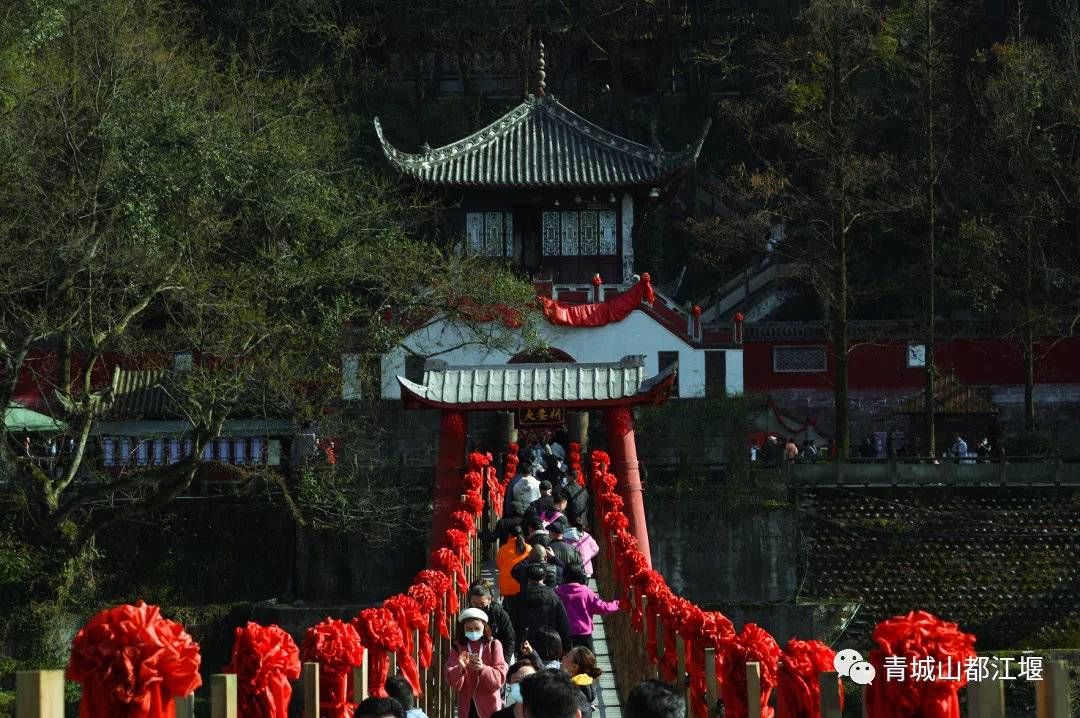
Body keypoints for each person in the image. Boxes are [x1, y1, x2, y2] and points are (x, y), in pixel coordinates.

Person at [445, 608, 508, 718]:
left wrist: (483, 668)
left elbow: (500, 677)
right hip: (467, 705)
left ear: (484, 627)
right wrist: (460, 668)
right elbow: (452, 680)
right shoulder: (457, 646)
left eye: (477, 628)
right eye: (469, 629)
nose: (473, 632)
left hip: (489, 705)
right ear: (463, 629)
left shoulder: (494, 645)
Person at [505, 562, 571, 655]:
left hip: (525, 644)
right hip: (549, 642)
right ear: (544, 578)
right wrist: (567, 647)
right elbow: (563, 623)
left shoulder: (518, 598)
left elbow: (512, 623)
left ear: (527, 579)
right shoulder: (553, 597)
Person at [554, 566, 619, 650]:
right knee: (587, 661)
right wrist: (618, 604)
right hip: (584, 635)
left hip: (565, 634)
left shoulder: (557, 592)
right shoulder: (586, 591)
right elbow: (602, 607)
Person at [469, 583, 516, 661]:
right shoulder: (468, 614)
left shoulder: (499, 613)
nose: (478, 607)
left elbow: (510, 638)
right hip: (475, 654)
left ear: (489, 599)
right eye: (475, 604)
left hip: (500, 652)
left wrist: (505, 660)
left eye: (482, 603)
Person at [562, 647, 603, 718]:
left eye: (567, 656)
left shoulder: (569, 691)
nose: (563, 657)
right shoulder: (588, 684)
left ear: (574, 666)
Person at [497, 526, 533, 599]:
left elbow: (499, 566)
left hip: (506, 586)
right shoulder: (529, 548)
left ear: (509, 535)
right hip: (523, 585)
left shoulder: (503, 549)